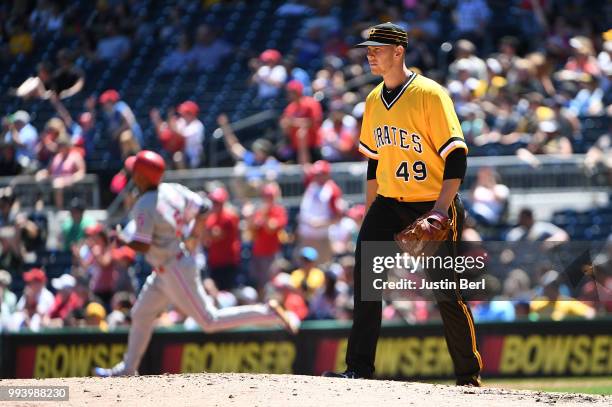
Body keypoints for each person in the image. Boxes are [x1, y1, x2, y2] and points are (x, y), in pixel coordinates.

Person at [322, 23, 482, 386]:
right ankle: (359, 369)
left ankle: (468, 376)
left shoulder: (430, 94)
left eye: (378, 48)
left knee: (447, 292)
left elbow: (456, 156)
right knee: (366, 283)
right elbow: (374, 162)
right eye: (369, 48)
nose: (370, 54)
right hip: (388, 202)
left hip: (431, 203)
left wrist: (441, 209)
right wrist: (369, 213)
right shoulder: (373, 100)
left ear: (399, 51)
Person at [94, 151, 298, 377]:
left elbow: (142, 245)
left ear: (142, 176)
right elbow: (203, 207)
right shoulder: (172, 189)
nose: (132, 175)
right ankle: (128, 368)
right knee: (141, 313)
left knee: (209, 321)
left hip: (173, 267)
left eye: (135, 172)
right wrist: (194, 236)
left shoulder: (144, 203)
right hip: (170, 266)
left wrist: (122, 240)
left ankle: (268, 312)